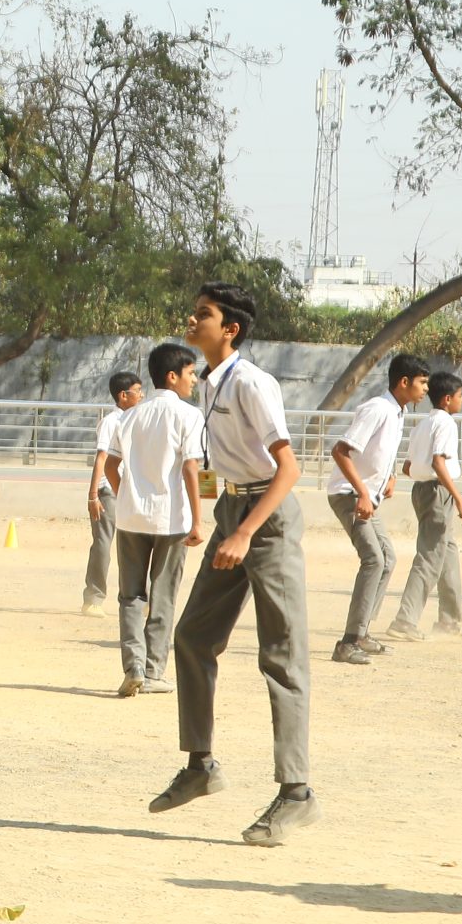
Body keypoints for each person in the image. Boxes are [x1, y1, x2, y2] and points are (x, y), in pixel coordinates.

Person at [151, 283, 316, 847]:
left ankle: (297, 794)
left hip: (266, 519)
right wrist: (210, 517)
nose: (190, 320)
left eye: (202, 314)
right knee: (193, 637)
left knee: (282, 656)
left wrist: (245, 532)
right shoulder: (211, 387)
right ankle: (201, 766)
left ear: (231, 330)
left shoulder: (250, 383)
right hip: (234, 512)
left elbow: (289, 468)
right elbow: (214, 461)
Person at [105, 343, 205, 699]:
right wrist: (197, 519)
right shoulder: (188, 416)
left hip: (131, 517)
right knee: (163, 595)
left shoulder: (130, 415)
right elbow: (191, 467)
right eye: (191, 373)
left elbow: (109, 466)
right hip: (171, 518)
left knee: (130, 595)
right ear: (172, 376)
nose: (194, 381)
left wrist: (126, 495)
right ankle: (153, 670)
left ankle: (133, 665)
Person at [323, 353, 430, 667]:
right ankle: (348, 642)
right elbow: (341, 451)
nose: (426, 389)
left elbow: (383, 451)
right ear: (404, 382)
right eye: (422, 383)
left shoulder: (397, 412)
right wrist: (362, 492)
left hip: (368, 498)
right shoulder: (378, 409)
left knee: (387, 558)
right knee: (374, 558)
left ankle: (362, 631)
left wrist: (392, 476)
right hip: (349, 495)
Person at [388, 371, 462, 640]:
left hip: (422, 490)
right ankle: (405, 619)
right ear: (447, 399)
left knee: (447, 554)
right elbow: (438, 462)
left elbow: (408, 467)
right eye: (460, 396)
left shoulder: (423, 424)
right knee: (430, 556)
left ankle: (449, 620)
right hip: (438, 491)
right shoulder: (446, 423)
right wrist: (457, 497)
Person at [81, 372, 144, 614]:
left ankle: (139, 596)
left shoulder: (136, 420)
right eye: (137, 390)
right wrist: (93, 495)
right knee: (103, 544)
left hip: (129, 490)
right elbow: (102, 459)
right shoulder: (112, 421)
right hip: (109, 491)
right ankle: (94, 598)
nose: (141, 394)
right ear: (123, 395)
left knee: (136, 544)